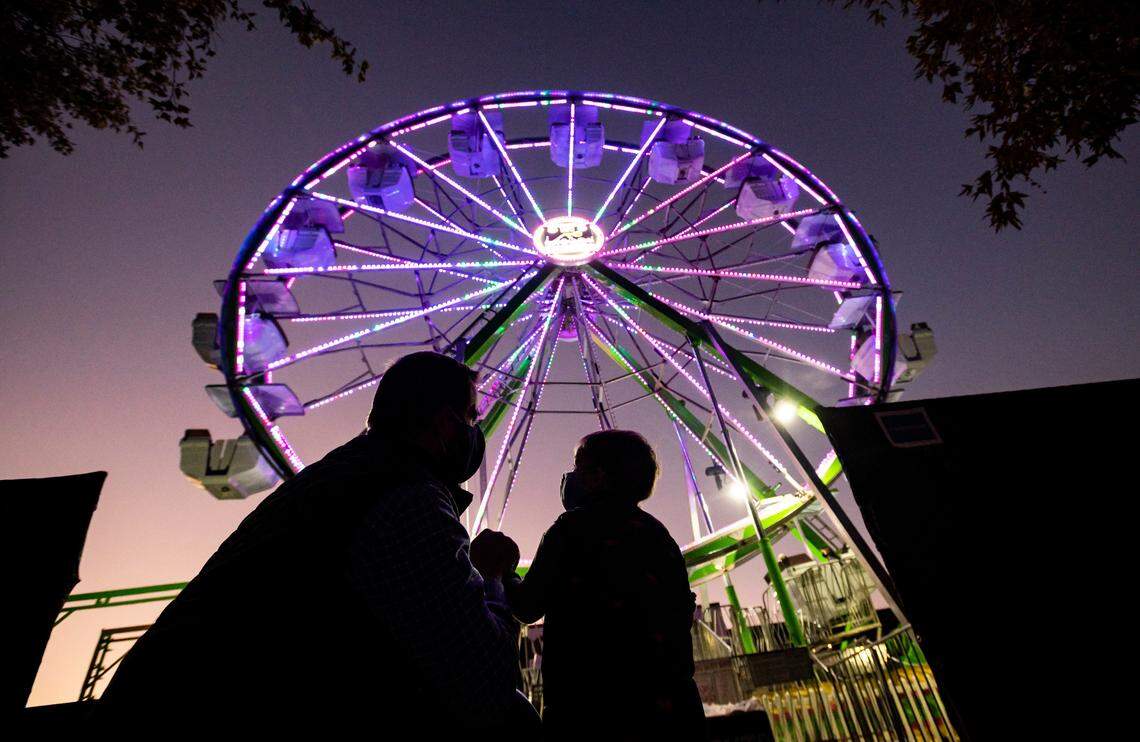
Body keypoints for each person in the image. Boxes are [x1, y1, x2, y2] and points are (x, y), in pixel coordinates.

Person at [98, 351, 536, 734]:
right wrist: (493, 575)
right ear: (445, 423)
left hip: (165, 693)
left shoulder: (332, 479)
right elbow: (485, 682)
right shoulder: (406, 496)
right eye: (472, 419)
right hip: (233, 715)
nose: (474, 434)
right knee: (516, 722)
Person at [483, 430, 706, 740]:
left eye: (579, 468)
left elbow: (527, 605)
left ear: (599, 476)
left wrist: (502, 571)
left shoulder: (570, 530)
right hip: (670, 707)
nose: (572, 477)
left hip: (587, 708)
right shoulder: (659, 536)